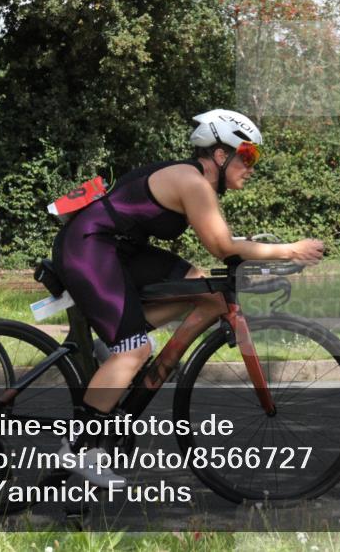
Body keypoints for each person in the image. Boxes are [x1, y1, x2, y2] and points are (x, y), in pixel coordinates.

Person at [53, 109, 324, 485]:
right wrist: (290, 250)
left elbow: (225, 244)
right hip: (89, 248)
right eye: (247, 156)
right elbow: (222, 246)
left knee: (204, 291)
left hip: (120, 248)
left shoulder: (197, 182)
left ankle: (113, 350)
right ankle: (79, 447)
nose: (252, 167)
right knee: (135, 350)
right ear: (220, 154)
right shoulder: (193, 183)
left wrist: (265, 254)